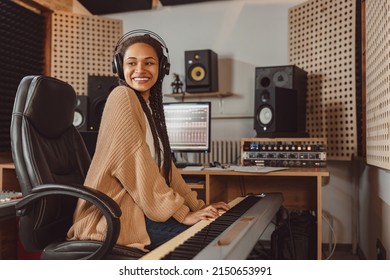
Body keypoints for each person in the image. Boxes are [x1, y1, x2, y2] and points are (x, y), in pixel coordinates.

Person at [67, 30, 230, 252]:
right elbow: (136, 166)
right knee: (211, 236)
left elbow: (167, 172)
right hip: (115, 217)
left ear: (161, 68)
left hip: (140, 210)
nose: (140, 70)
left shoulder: (148, 110)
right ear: (120, 67)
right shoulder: (121, 97)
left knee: (214, 226)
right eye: (132, 63)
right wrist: (184, 215)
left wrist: (199, 207)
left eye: (149, 63)